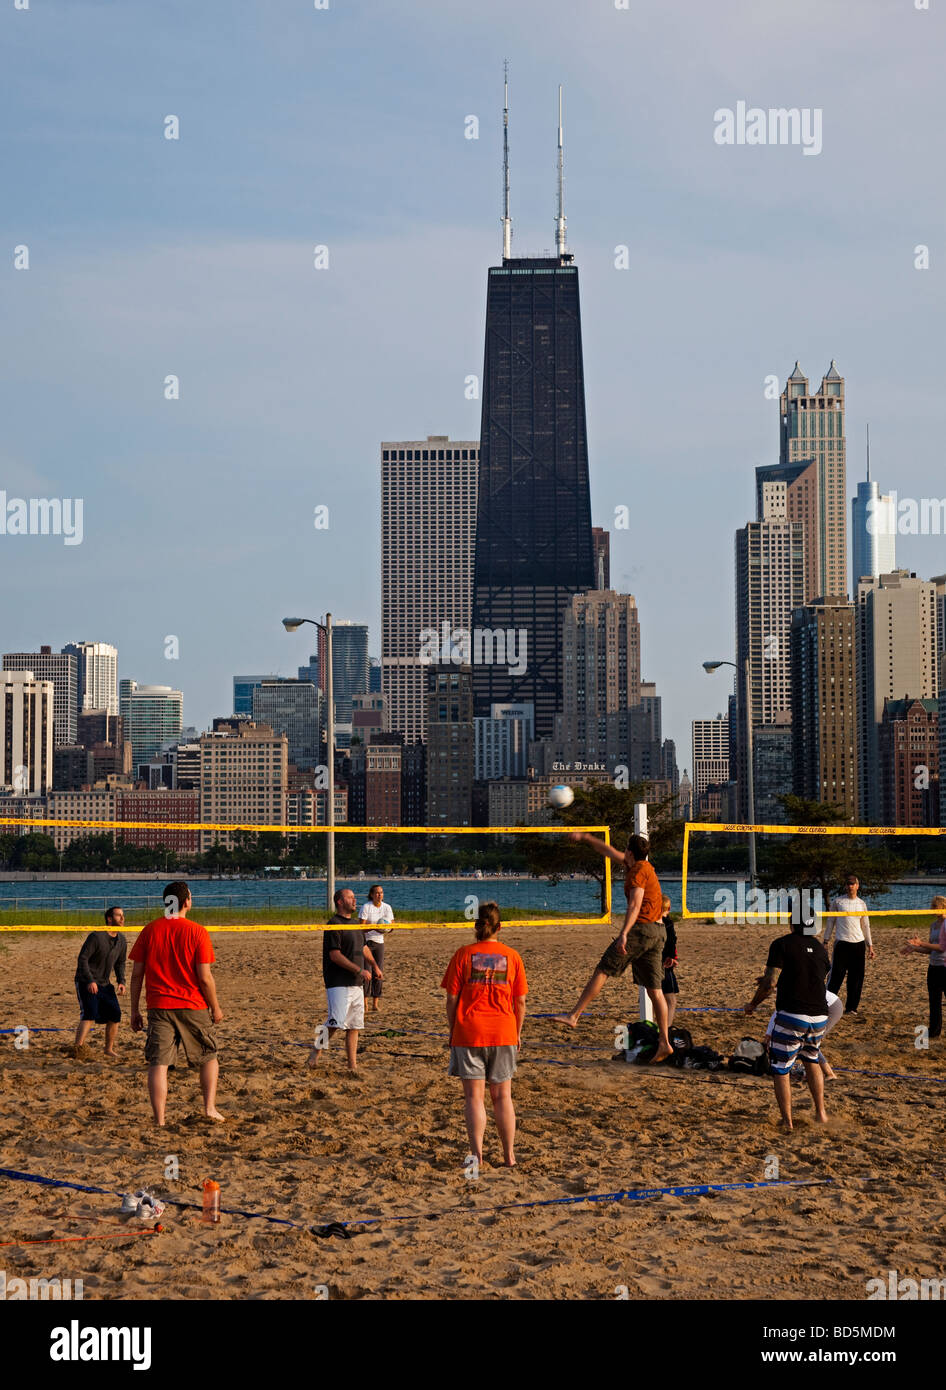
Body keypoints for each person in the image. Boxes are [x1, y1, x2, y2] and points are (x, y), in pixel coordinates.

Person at [552, 832, 672, 1063]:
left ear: (629, 852)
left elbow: (635, 905)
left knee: (603, 969)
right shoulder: (642, 865)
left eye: (624, 849)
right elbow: (608, 851)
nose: (621, 853)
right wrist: (586, 838)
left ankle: (574, 1015)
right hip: (658, 932)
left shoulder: (638, 871)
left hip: (642, 930)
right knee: (655, 991)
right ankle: (664, 1042)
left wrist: (624, 934)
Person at [129, 881, 224, 1127]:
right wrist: (215, 1007)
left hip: (159, 1005)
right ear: (187, 902)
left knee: (158, 1063)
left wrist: (134, 1010)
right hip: (192, 1005)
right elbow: (204, 977)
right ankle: (209, 1108)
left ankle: (159, 1120)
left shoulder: (150, 930)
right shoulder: (197, 931)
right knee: (208, 1056)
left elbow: (137, 975)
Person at [441, 902, 527, 1170]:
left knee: (474, 1098)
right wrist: (517, 1032)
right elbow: (520, 1002)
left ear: (477, 926)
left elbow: (452, 998)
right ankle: (509, 1157)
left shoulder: (463, 955)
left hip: (469, 1031)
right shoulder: (512, 956)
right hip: (503, 1030)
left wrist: (453, 1029)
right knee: (502, 1097)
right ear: (499, 927)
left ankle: (477, 1156)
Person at [744, 917, 831, 1129]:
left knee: (780, 1068)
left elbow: (770, 983)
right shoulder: (820, 948)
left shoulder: (781, 944)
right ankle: (821, 1114)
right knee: (811, 1060)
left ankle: (787, 1121)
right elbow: (812, 975)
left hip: (793, 1015)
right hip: (820, 1016)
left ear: (792, 924)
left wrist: (752, 1004)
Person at [308, 887, 380, 1075]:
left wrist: (374, 965)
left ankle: (352, 1065)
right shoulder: (334, 924)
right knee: (334, 1021)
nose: (355, 900)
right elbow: (335, 955)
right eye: (350, 898)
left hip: (356, 982)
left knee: (355, 1025)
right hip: (338, 981)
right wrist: (359, 969)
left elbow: (363, 948)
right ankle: (316, 1051)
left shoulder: (355, 924)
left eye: (355, 898)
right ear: (340, 902)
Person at [74, 906, 127, 1058]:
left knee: (115, 1014)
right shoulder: (96, 937)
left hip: (104, 982)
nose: (122, 918)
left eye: (123, 915)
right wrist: (90, 981)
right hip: (86, 980)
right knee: (89, 1014)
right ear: (109, 919)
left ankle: (108, 1049)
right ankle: (78, 1049)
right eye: (119, 915)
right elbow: (82, 959)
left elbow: (120, 963)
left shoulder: (121, 940)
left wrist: (121, 981)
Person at [824, 873, 875, 1018]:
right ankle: (826, 1005)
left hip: (858, 945)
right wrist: (826, 941)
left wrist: (870, 945)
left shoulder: (861, 903)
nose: (850, 886)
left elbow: (866, 926)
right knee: (836, 977)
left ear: (857, 886)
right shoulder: (838, 902)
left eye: (852, 884)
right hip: (842, 944)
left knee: (856, 978)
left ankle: (852, 1007)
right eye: (848, 884)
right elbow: (830, 922)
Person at [765, 988, 844, 1080]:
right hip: (827, 1005)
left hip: (832, 1007)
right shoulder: (788, 987)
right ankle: (826, 1072)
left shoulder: (787, 989)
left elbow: (778, 1012)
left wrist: (768, 1033)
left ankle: (829, 1073)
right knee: (808, 1041)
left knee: (809, 1042)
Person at [900, 895, 946, 1038]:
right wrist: (915, 948)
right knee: (934, 1001)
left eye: (934, 906)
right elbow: (931, 949)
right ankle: (934, 1031)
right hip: (934, 966)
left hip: (944, 966)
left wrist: (921, 943)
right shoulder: (933, 925)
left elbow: (942, 947)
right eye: (931, 906)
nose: (932, 909)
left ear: (943, 907)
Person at [359, 884, 394, 1012]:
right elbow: (360, 927)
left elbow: (392, 926)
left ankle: (375, 1003)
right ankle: (365, 1003)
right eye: (377, 893)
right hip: (366, 942)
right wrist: (373, 926)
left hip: (379, 942)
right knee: (366, 973)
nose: (380, 895)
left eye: (381, 892)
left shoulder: (387, 907)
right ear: (372, 895)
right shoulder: (366, 907)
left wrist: (385, 929)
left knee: (378, 973)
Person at [660, 894, 679, 1027]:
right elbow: (671, 941)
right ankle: (666, 1029)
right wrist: (672, 957)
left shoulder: (651, 921)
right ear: (669, 908)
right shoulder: (667, 923)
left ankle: (661, 1028)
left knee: (656, 998)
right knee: (671, 1001)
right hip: (665, 965)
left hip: (651, 964)